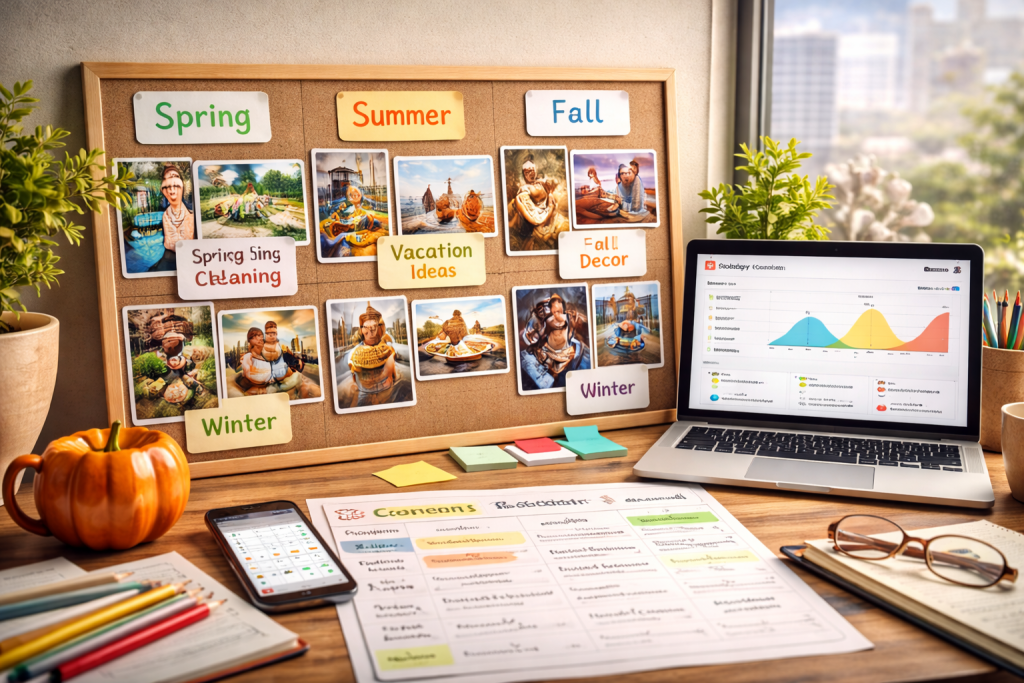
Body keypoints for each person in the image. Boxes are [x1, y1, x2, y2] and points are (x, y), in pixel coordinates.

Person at [337, 303, 412, 408]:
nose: (370, 332)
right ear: (362, 329)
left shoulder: (388, 349)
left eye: (374, 327)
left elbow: (392, 375)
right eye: (366, 327)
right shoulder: (354, 354)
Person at [519, 293, 590, 390]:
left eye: (560, 312)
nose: (558, 318)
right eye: (553, 313)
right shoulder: (528, 359)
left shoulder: (584, 356)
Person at [507, 155, 567, 251]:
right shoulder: (524, 190)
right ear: (523, 173)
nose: (531, 173)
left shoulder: (540, 184)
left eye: (532, 170)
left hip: (548, 218)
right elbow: (531, 217)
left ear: (535, 171)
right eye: (527, 171)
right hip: (535, 222)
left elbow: (546, 195)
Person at [321, 183, 387, 258]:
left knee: (375, 222)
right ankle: (346, 229)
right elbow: (334, 212)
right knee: (349, 229)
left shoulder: (366, 207)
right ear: (347, 199)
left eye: (356, 191)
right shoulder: (347, 208)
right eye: (351, 194)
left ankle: (348, 228)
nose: (354, 193)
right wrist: (336, 214)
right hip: (352, 224)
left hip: (360, 223)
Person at [160, 165, 194, 251]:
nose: (172, 189)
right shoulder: (165, 216)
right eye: (167, 182)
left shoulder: (192, 215)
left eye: (175, 177)